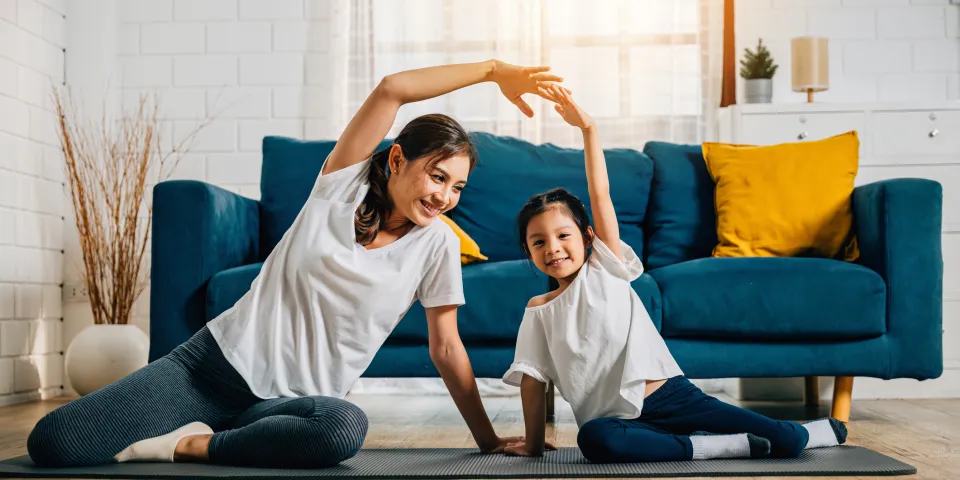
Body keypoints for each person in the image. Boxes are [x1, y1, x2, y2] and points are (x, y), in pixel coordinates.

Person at [27, 60, 566, 469]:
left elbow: (446, 347)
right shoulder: (342, 184)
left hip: (289, 405)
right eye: (436, 176)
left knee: (341, 428)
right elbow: (392, 90)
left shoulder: (437, 247)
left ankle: (193, 443)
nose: (446, 196)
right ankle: (215, 430)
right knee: (53, 444)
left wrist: (488, 440)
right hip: (209, 368)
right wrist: (496, 71)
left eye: (457, 186)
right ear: (397, 159)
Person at [500, 84, 848, 463]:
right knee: (594, 440)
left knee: (786, 444)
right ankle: (716, 446)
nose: (552, 248)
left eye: (562, 235)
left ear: (588, 238)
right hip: (620, 424)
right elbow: (532, 381)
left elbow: (601, 195)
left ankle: (804, 432)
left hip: (671, 398)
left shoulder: (604, 267)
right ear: (528, 251)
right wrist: (533, 446)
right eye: (538, 242)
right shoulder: (539, 309)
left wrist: (588, 130)